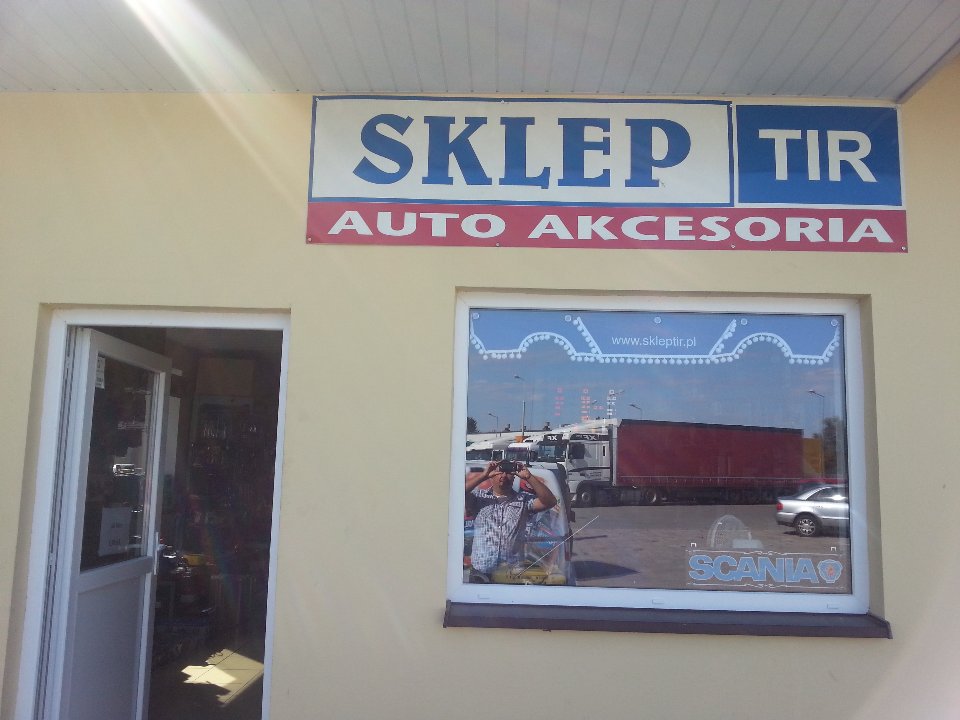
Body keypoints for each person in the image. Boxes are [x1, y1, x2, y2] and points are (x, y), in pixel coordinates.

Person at [465, 460, 557, 581]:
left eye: (508, 472)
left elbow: (550, 501)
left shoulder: (524, 500)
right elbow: (457, 493)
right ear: (492, 475)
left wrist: (529, 477)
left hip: (511, 574)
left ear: (514, 476)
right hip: (481, 573)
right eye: (500, 471)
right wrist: (483, 475)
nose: (504, 475)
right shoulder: (478, 497)